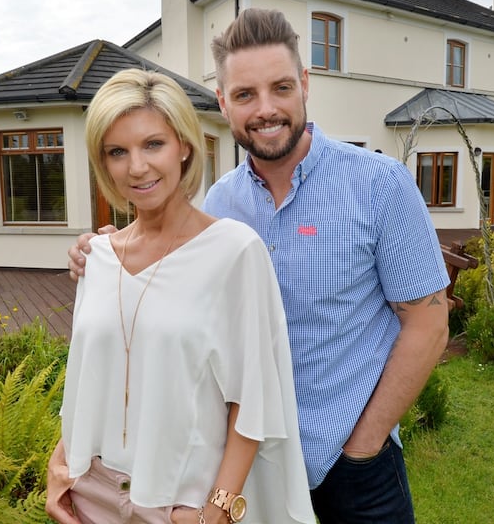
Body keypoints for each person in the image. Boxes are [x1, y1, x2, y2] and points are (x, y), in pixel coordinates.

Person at [61, 8, 450, 523]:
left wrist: (364, 443)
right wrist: (110, 249)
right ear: (223, 103)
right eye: (245, 95)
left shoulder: (379, 185)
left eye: (281, 88)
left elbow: (428, 322)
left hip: (350, 465)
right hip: (251, 473)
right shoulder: (220, 204)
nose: (265, 109)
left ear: (305, 85)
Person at [45, 68, 315, 524]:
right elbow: (94, 378)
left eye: (153, 144)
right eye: (117, 151)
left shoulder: (234, 251)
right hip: (91, 496)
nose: (137, 167)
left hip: (179, 504)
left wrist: (217, 511)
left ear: (184, 146)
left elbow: (253, 398)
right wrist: (60, 469)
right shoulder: (98, 257)